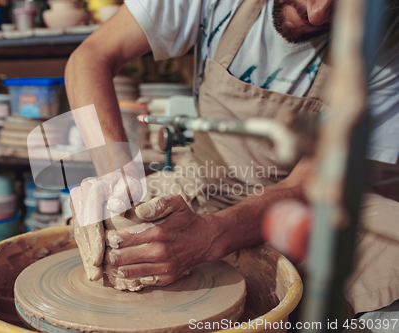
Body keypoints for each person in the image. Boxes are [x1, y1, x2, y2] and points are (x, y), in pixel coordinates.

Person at [65, 0, 399, 317]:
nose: (318, 13)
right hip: (205, 181)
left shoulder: (384, 35)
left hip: (305, 200)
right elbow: (91, 57)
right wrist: (116, 176)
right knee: (95, 235)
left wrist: (212, 236)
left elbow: (309, 183)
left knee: (391, 248)